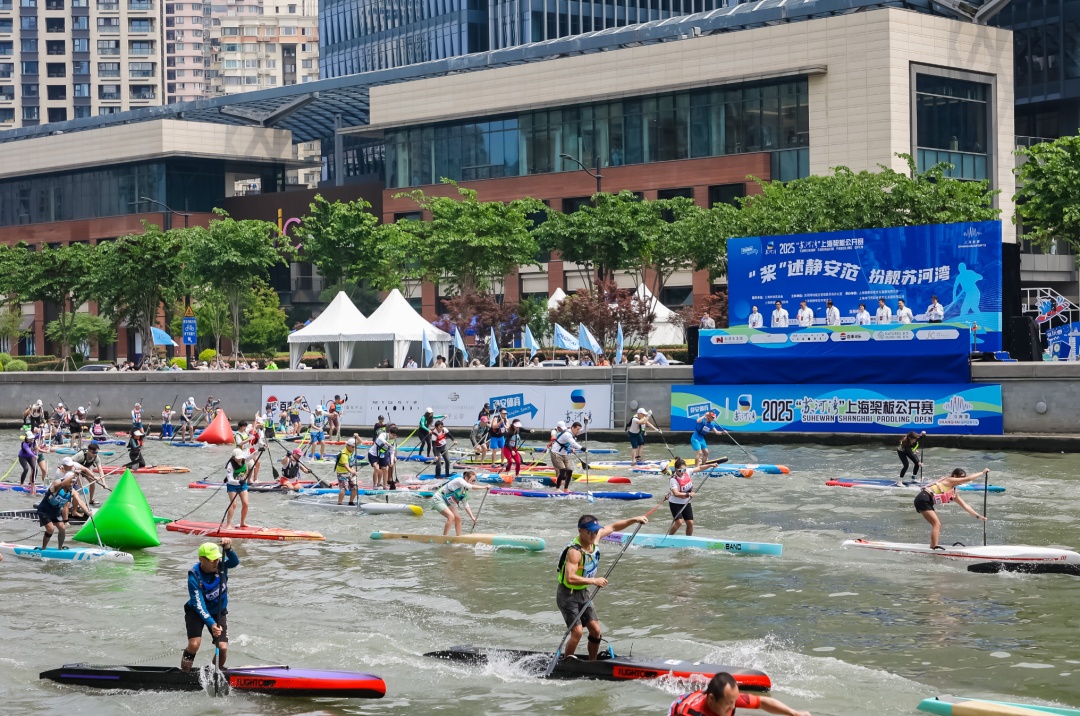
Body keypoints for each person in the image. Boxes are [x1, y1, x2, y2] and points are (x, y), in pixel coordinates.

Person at [556, 512, 649, 660]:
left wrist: (634, 519)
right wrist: (594, 581)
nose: (593, 535)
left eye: (595, 531)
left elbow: (613, 527)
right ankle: (567, 663)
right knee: (577, 632)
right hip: (568, 594)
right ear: (580, 531)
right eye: (589, 532)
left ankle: (592, 663)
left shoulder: (595, 538)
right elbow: (570, 578)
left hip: (583, 592)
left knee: (595, 630)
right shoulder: (575, 552)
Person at [181, 539, 239, 673]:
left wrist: (228, 549)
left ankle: (215, 672)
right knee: (194, 644)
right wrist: (212, 624)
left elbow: (235, 562)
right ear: (201, 559)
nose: (216, 563)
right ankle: (184, 673)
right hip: (196, 612)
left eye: (217, 559)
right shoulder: (194, 576)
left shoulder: (221, 566)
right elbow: (199, 605)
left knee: (222, 648)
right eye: (212, 560)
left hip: (218, 612)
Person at [669, 672, 811, 716]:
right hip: (681, 705)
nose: (733, 707)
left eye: (734, 701)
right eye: (728, 704)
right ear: (711, 699)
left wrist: (794, 713)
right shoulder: (691, 714)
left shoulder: (728, 699)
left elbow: (763, 702)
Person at [915, 468, 989, 549]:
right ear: (955, 476)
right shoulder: (949, 480)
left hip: (927, 501)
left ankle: (933, 545)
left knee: (937, 524)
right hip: (923, 498)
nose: (962, 479)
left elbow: (965, 505)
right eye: (961, 477)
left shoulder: (953, 492)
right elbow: (969, 478)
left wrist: (978, 516)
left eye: (963, 477)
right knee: (937, 524)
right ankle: (933, 547)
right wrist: (982, 472)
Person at [429, 470, 490, 536]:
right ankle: (444, 537)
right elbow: (470, 486)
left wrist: (472, 517)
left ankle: (458, 536)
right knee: (451, 517)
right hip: (438, 499)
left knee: (458, 518)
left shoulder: (464, 491)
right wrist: (484, 487)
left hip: (447, 502)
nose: (473, 482)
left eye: (474, 481)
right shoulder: (459, 480)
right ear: (466, 478)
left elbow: (466, 505)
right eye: (472, 480)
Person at [35, 472, 84, 551]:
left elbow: (80, 501)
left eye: (73, 482)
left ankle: (60, 549)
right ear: (65, 479)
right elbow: (62, 484)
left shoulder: (72, 491)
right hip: (44, 510)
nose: (71, 484)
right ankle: (43, 549)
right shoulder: (57, 483)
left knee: (62, 528)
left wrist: (88, 512)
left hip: (55, 511)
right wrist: (74, 475)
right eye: (70, 482)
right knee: (51, 529)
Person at [668, 458, 708, 536]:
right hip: (675, 503)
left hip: (686, 502)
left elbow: (699, 468)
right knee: (679, 522)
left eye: (684, 470)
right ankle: (669, 536)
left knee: (690, 523)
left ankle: (688, 538)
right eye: (680, 471)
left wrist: (711, 465)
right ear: (675, 469)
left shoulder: (687, 472)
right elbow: (676, 493)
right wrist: (688, 494)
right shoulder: (673, 479)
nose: (682, 472)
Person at [551, 422, 585, 492]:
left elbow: (585, 430)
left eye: (579, 429)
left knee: (570, 470)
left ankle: (566, 489)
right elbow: (573, 443)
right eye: (577, 429)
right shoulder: (567, 434)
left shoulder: (572, 432)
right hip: (556, 453)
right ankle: (557, 489)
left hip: (564, 454)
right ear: (572, 428)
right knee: (562, 471)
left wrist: (586, 423)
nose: (578, 431)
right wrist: (582, 448)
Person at [224, 448, 252, 527]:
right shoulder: (230, 465)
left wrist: (260, 450)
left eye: (240, 458)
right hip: (232, 486)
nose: (240, 459)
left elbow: (252, 456)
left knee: (246, 503)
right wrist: (238, 482)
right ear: (233, 458)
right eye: (238, 458)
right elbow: (230, 479)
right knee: (234, 504)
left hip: (243, 485)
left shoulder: (244, 459)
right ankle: (228, 525)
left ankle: (242, 523)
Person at [368, 426, 397, 491]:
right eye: (393, 435)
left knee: (385, 469)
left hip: (383, 455)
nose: (394, 437)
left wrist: (391, 461)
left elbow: (392, 452)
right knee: (376, 468)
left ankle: (385, 486)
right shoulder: (383, 435)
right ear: (389, 433)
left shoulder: (393, 441)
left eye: (395, 436)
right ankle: (375, 485)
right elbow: (380, 438)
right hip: (373, 454)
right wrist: (386, 442)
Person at [335, 439, 360, 504]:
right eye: (352, 447)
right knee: (344, 488)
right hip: (342, 473)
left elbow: (360, 442)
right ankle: (339, 503)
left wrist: (357, 436)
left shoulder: (352, 449)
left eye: (355, 447)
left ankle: (351, 502)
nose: (354, 448)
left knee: (355, 488)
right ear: (347, 446)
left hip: (350, 472)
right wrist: (353, 472)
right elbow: (346, 466)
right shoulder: (344, 454)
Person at [18, 432, 38, 497]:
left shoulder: (33, 439)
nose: (31, 440)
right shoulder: (24, 444)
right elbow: (29, 451)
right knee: (26, 469)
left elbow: (39, 435)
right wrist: (34, 455)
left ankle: (32, 483)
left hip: (29, 457)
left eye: (32, 438)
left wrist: (41, 429)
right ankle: (21, 483)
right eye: (30, 439)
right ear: (26, 438)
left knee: (35, 468)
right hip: (22, 457)